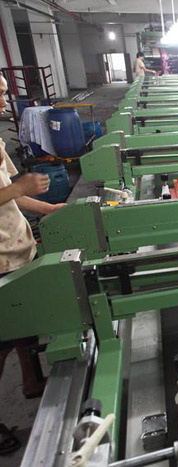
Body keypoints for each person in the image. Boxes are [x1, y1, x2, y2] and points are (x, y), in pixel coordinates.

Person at [0, 74, 66, 453]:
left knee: (24, 320)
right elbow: (14, 189)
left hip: (16, 245)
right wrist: (19, 188)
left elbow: (11, 193)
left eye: (5, 93)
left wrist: (48, 208)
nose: (4, 101)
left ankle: (31, 382)